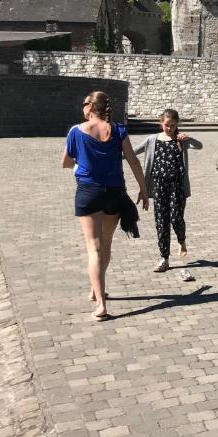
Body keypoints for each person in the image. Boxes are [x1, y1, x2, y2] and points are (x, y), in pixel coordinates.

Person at [62, 91, 148, 321]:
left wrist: (84, 161)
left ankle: (101, 305)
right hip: (114, 194)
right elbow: (133, 159)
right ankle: (96, 287)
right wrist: (144, 188)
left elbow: (66, 162)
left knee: (94, 247)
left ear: (90, 107)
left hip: (89, 193)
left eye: (83, 104)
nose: (82, 108)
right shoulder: (118, 130)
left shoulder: (76, 131)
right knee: (106, 244)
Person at [134, 109, 202, 279]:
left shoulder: (180, 140)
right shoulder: (152, 140)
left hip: (177, 185)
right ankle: (164, 258)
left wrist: (188, 138)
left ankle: (182, 240)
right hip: (158, 185)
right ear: (161, 123)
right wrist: (113, 155)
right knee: (161, 221)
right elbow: (133, 151)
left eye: (172, 125)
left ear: (177, 124)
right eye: (166, 125)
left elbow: (199, 146)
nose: (169, 128)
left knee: (176, 218)